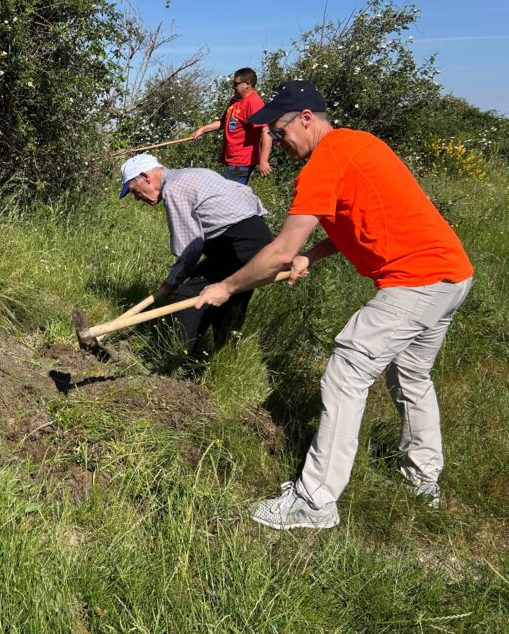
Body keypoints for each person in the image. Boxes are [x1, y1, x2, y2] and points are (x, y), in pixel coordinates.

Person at [195, 81, 473, 530]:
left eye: (279, 133)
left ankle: (315, 500)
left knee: (346, 371)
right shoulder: (358, 145)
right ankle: (422, 480)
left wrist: (226, 287)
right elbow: (361, 221)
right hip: (452, 274)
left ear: (306, 118)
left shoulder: (323, 162)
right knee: (411, 375)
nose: (276, 143)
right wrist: (313, 254)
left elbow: (280, 250)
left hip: (415, 280)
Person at [118, 152, 273, 363]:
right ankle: (224, 359)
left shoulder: (174, 189)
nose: (137, 198)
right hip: (256, 236)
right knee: (229, 300)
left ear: (146, 177)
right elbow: (244, 192)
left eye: (135, 191)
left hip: (236, 242)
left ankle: (173, 360)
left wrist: (173, 280)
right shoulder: (192, 174)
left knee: (190, 297)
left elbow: (190, 247)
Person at [189, 68, 272, 184]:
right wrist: (202, 130)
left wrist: (263, 161)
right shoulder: (235, 100)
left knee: (227, 197)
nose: (233, 86)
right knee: (232, 197)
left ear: (247, 84)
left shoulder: (254, 102)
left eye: (236, 84)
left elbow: (265, 130)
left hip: (242, 161)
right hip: (231, 159)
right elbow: (223, 123)